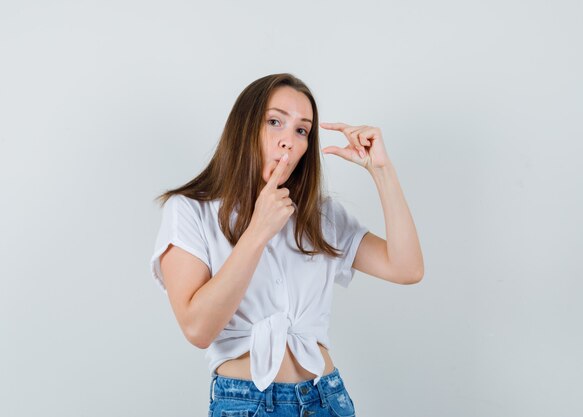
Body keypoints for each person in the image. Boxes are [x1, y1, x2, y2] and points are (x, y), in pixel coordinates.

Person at [149, 73, 424, 417]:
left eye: (301, 130)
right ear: (244, 127)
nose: (288, 142)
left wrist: (382, 171)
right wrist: (258, 231)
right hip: (247, 403)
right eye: (275, 122)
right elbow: (198, 329)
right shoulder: (190, 211)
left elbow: (407, 268)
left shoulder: (318, 215)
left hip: (327, 399)